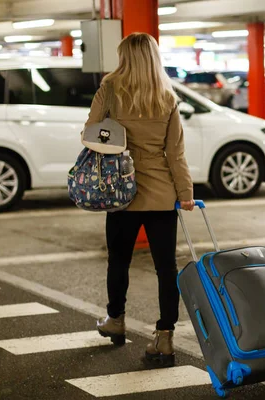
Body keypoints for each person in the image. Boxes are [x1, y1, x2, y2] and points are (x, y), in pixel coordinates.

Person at [84, 33, 195, 367]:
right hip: (161, 194)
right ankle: (164, 338)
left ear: (124, 57)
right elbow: (175, 153)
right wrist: (185, 193)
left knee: (119, 260)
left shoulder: (110, 90)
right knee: (166, 268)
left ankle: (116, 320)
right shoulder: (167, 96)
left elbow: (90, 133)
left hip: (120, 192)